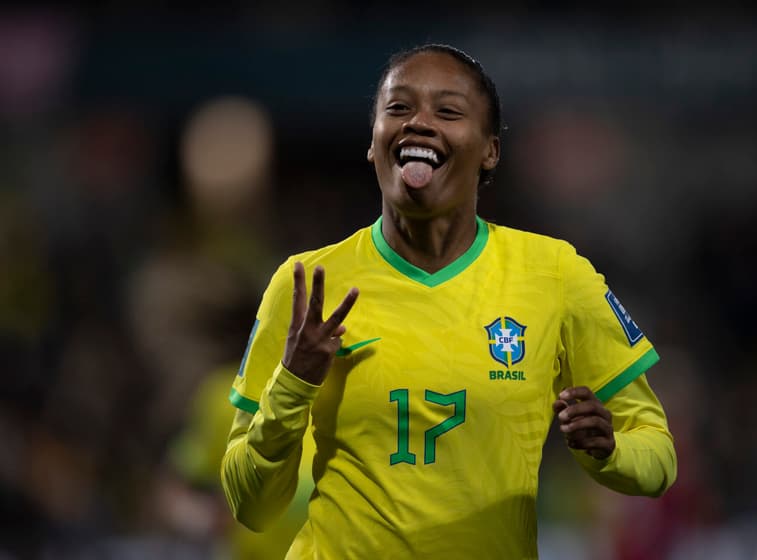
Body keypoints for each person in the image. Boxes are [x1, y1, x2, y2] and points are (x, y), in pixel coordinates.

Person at [221, 43, 676, 559]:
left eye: (448, 111)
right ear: (373, 143)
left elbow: (658, 459)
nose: (418, 122)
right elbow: (249, 506)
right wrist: (293, 382)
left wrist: (609, 450)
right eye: (398, 108)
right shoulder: (307, 285)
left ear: (490, 150)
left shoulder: (555, 274)